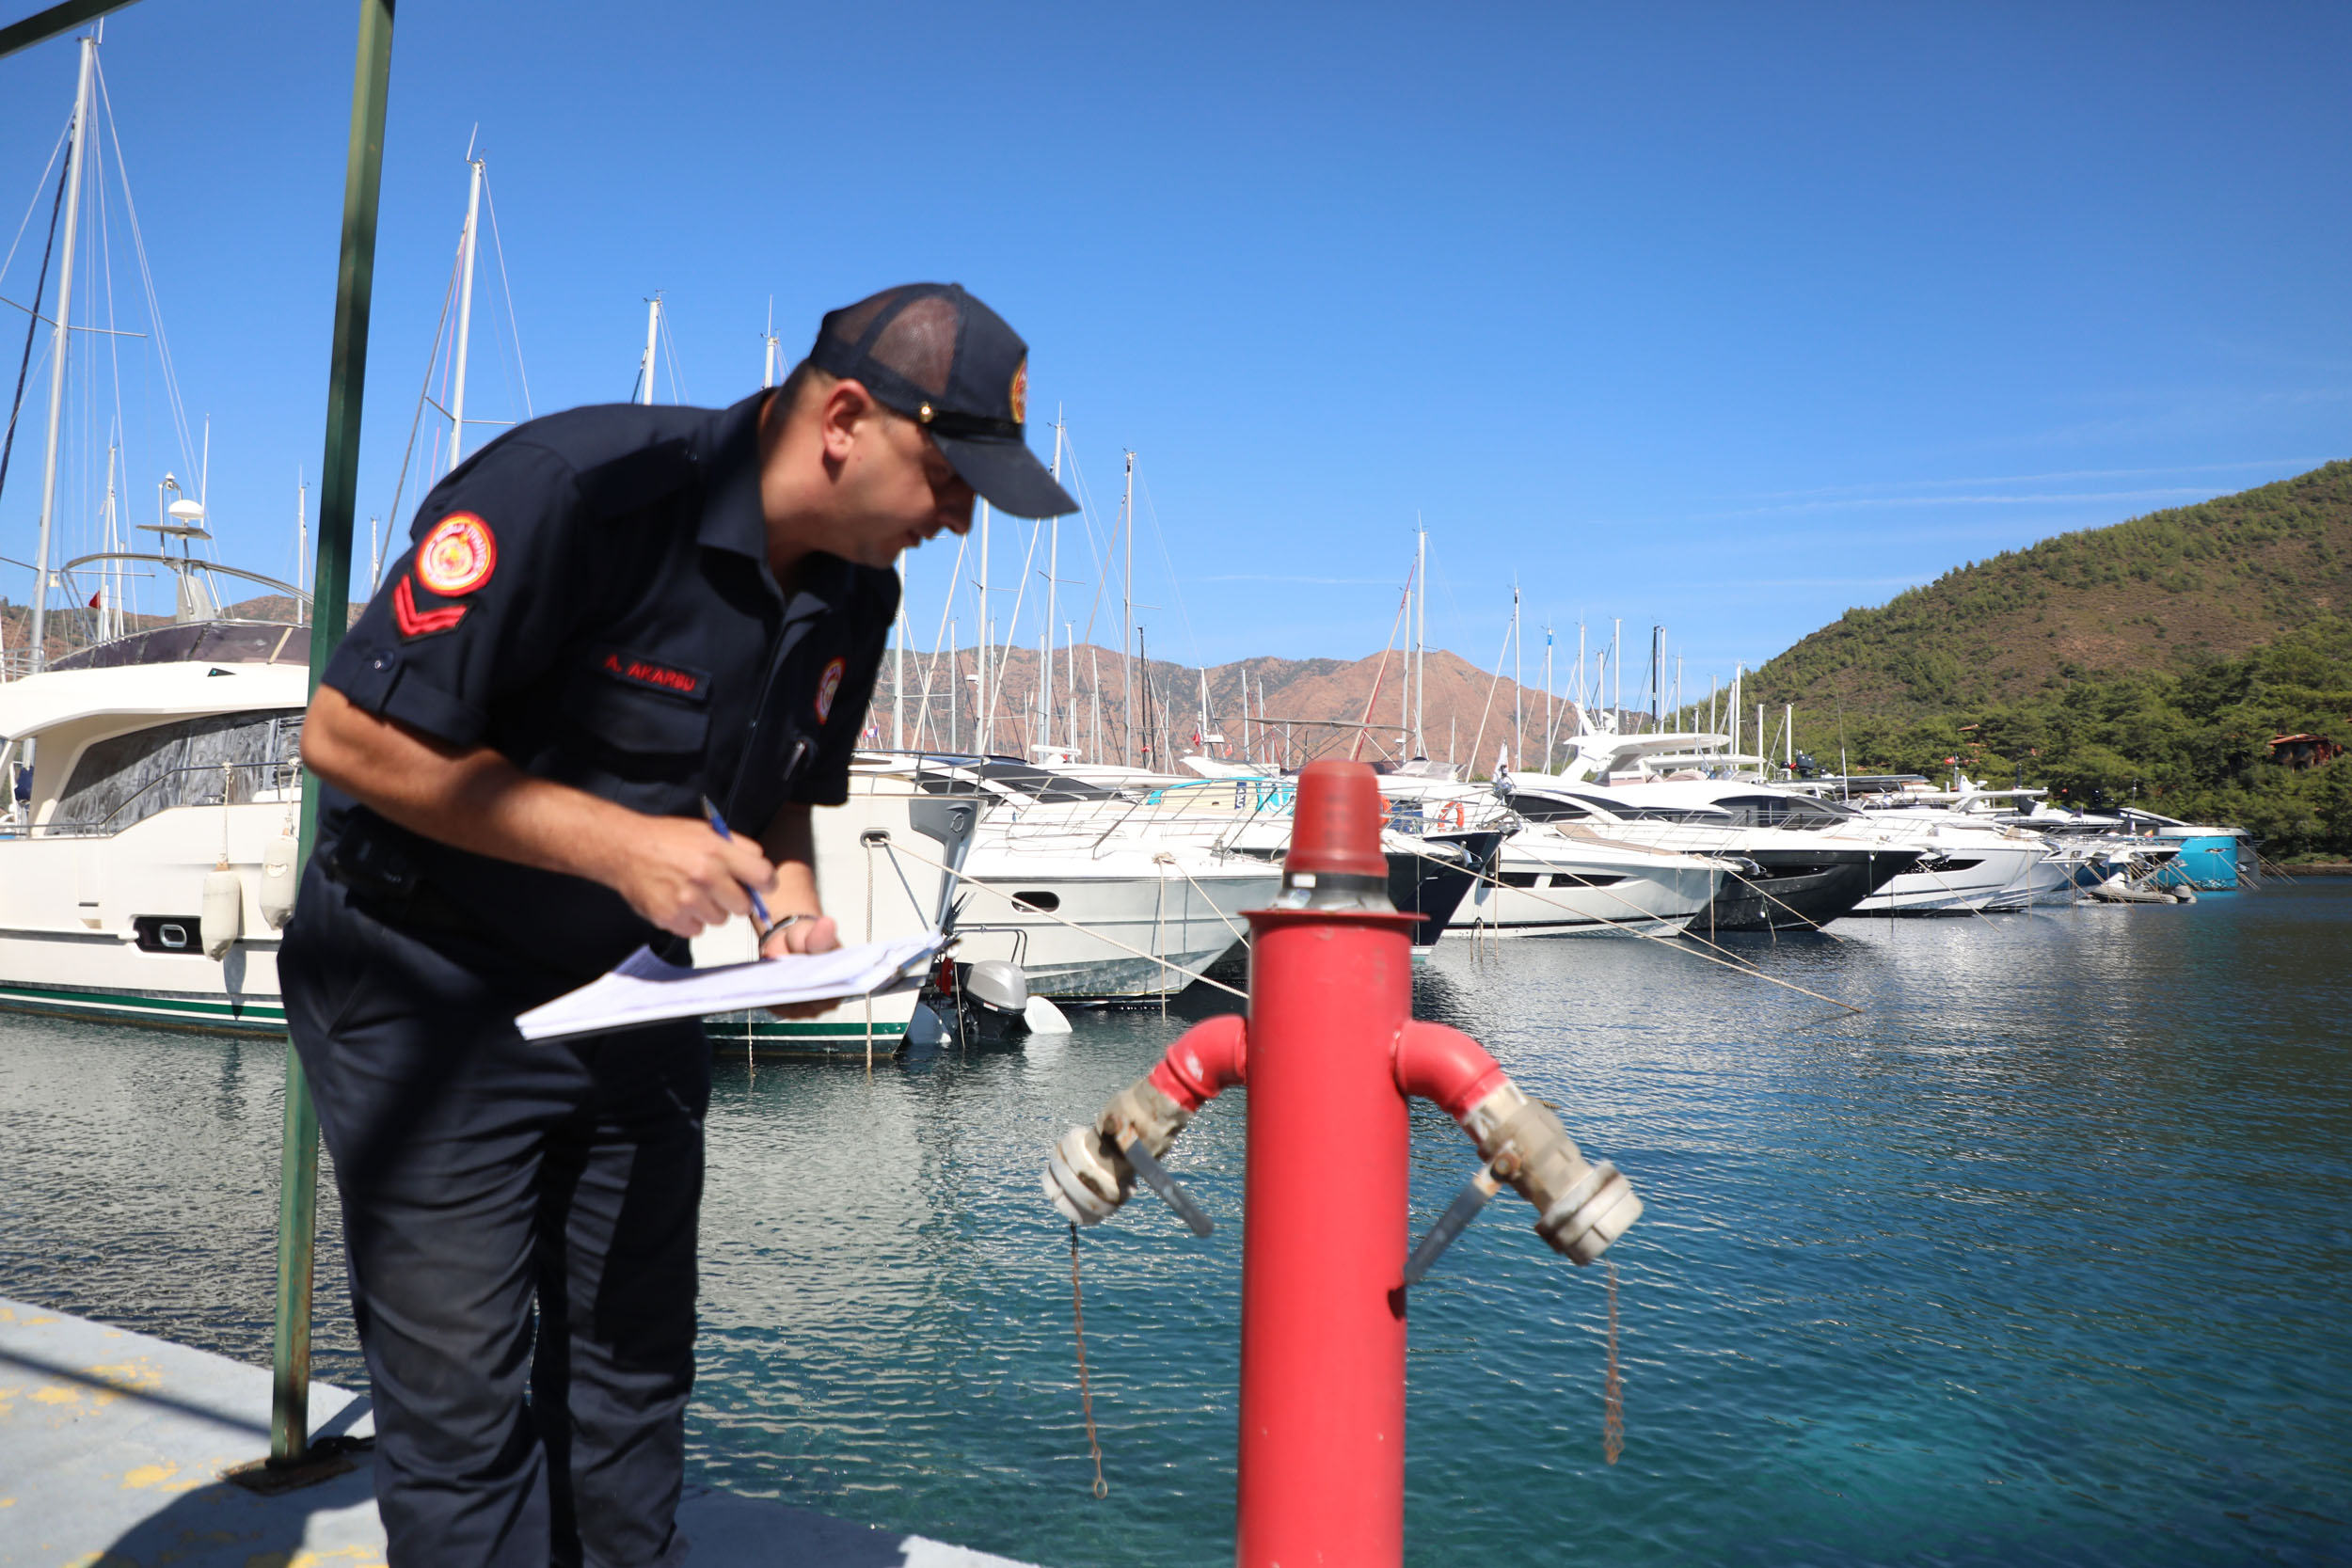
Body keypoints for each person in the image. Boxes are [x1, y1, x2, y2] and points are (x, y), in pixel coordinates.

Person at [283, 283, 1075, 1566]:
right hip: (418, 984)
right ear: (847, 420)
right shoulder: (578, 492)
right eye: (948, 474)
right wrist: (619, 845)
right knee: (465, 1418)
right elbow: (345, 737)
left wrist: (796, 920)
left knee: (631, 1375)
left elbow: (783, 800)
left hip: (629, 994)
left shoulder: (860, 589)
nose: (962, 518)